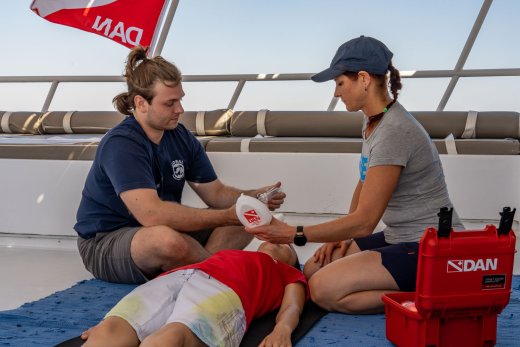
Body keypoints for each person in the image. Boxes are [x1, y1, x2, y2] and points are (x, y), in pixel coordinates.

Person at [245, 35, 464, 314]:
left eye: (339, 83)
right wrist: (343, 237)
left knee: (321, 289)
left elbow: (364, 223)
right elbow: (365, 182)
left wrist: (291, 233)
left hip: (430, 247)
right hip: (400, 236)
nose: (336, 93)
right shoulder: (374, 120)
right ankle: (420, 288)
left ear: (363, 79)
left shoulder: (394, 130)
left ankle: (435, 292)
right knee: (314, 268)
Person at [74, 46, 285, 284]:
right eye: (170, 103)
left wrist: (252, 197)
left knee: (244, 217)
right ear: (141, 103)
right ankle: (216, 279)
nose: (180, 110)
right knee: (166, 241)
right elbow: (152, 215)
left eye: (180, 100)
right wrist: (225, 217)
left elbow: (216, 193)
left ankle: (204, 276)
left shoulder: (180, 136)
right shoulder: (122, 143)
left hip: (159, 229)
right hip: (105, 241)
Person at [81, 242, 307, 347]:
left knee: (170, 337)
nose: (274, 241)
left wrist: (282, 330)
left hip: (225, 291)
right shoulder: (236, 254)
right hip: (181, 276)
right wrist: (107, 320)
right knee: (110, 329)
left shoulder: (287, 273)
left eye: (286, 245)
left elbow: (292, 307)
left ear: (293, 261)